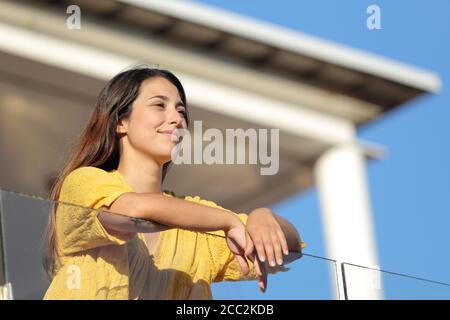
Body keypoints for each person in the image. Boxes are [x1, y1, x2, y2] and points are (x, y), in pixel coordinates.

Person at [42, 66, 306, 300]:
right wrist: (229, 221)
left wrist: (263, 217)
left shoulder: (196, 216)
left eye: (181, 110)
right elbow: (131, 211)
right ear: (121, 122)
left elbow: (292, 247)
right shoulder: (84, 181)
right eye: (160, 105)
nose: (177, 119)